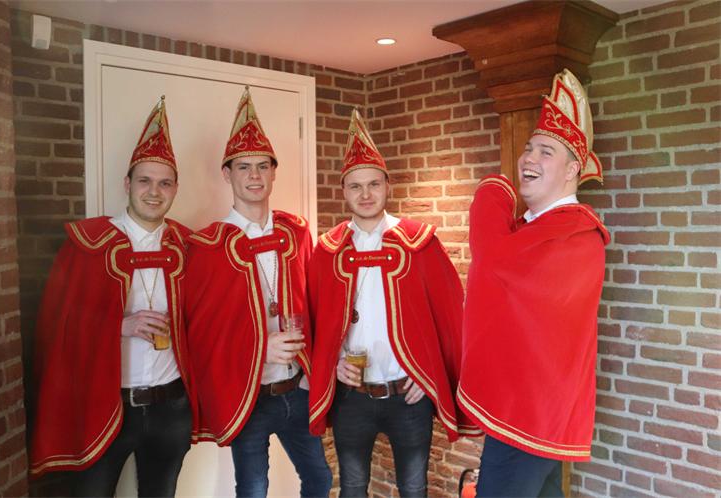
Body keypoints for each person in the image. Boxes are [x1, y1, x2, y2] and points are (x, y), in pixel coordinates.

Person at [29, 96, 197, 498]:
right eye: (144, 181)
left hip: (171, 405)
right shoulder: (90, 243)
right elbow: (58, 325)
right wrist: (119, 325)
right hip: (107, 405)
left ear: (175, 189)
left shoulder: (188, 245)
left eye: (165, 183)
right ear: (127, 184)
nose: (154, 192)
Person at [308, 109, 480, 498]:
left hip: (407, 396)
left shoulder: (420, 243)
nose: (365, 194)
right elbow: (316, 324)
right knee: (352, 488)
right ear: (344, 191)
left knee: (414, 489)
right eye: (355, 186)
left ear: (388, 186)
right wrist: (332, 365)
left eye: (373, 184)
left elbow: (450, 318)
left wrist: (428, 375)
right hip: (353, 397)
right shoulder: (327, 250)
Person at [457, 69, 610, 497]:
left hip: (529, 418)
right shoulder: (539, 229)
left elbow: (493, 259)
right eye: (528, 148)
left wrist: (493, 188)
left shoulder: (572, 231)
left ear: (573, 169)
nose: (528, 158)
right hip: (528, 414)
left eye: (545, 151)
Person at [184, 87, 332, 498]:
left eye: (263, 166)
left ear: (273, 173)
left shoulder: (296, 231)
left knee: (320, 479)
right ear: (227, 174)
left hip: (296, 389)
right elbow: (200, 333)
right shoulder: (209, 245)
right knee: (252, 489)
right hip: (248, 395)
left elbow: (316, 303)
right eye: (244, 167)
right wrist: (260, 348)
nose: (254, 176)